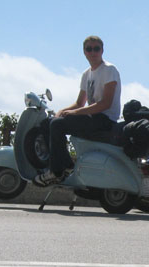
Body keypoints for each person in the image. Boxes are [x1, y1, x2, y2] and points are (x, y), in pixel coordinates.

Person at [34, 35, 121, 186]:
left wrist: (75, 113)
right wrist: (61, 111)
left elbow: (106, 103)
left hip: (104, 119)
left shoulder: (109, 70)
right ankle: (67, 165)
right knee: (49, 122)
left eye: (96, 49)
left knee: (57, 125)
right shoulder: (86, 74)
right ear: (84, 52)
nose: (93, 52)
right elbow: (79, 102)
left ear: (102, 50)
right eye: (89, 49)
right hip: (90, 117)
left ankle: (56, 172)